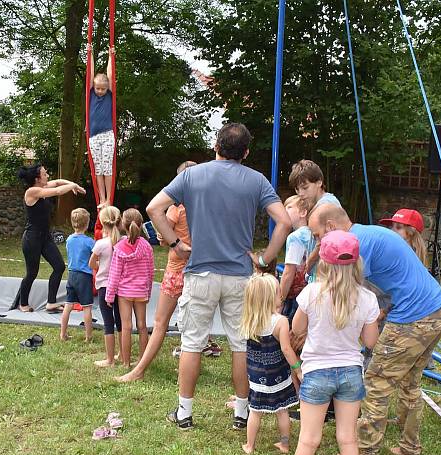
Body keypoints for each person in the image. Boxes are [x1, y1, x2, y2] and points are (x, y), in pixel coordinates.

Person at [146, 122, 292, 430]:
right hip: (240, 275)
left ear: (216, 145)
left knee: (192, 342)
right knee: (241, 344)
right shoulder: (256, 180)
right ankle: (242, 412)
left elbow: (154, 208)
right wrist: (265, 259)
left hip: (200, 272)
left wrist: (175, 243)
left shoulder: (191, 174)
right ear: (247, 152)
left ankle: (184, 413)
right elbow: (284, 221)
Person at [308, 204, 441, 455]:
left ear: (329, 227)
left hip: (414, 316)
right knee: (410, 382)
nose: (318, 242)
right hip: (437, 310)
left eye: (317, 236)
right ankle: (410, 449)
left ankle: (364, 454)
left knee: (376, 381)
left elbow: (348, 293)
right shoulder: (368, 234)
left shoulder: (358, 244)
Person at [279, 230, 380, 455]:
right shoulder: (368, 298)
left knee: (308, 440)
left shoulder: (311, 293)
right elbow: (370, 341)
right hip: (350, 372)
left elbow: (297, 329)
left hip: (317, 373)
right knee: (347, 439)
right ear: (357, 262)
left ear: (323, 261)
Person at [116, 161, 198, 382]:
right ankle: (186, 374)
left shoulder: (175, 208)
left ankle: (138, 370)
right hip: (200, 270)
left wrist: (166, 238)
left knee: (161, 322)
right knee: (194, 326)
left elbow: (164, 236)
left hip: (177, 269)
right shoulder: (205, 207)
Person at [239, 273, 300, 455]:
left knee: (255, 412)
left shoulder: (249, 320)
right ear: (269, 298)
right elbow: (287, 350)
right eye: (277, 292)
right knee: (282, 411)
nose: (281, 295)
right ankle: (285, 444)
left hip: (257, 375)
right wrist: (297, 368)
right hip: (278, 374)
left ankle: (249, 445)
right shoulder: (280, 321)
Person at [12, 164, 86, 313]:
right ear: (37, 179)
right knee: (32, 273)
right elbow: (58, 190)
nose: (47, 176)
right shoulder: (32, 192)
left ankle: (51, 303)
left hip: (45, 237)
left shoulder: (43, 188)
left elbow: (58, 183)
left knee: (59, 266)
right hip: (32, 238)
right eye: (45, 174)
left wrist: (74, 185)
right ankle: (23, 303)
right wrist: (72, 185)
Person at [105, 208, 154, 368]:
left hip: (124, 293)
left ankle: (126, 363)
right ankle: (141, 361)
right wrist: (148, 291)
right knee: (142, 326)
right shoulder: (147, 246)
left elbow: (114, 274)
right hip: (140, 291)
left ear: (123, 225)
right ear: (140, 225)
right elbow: (149, 272)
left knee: (126, 327)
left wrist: (109, 295)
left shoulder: (119, 247)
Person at [288, 160, 342, 279]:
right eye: (297, 189)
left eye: (305, 188)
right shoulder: (319, 203)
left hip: (329, 277)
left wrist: (308, 265)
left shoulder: (326, 205)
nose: (300, 193)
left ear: (319, 182)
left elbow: (323, 244)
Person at [90, 206, 124, 367]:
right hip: (122, 287)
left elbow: (91, 263)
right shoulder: (124, 242)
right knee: (121, 321)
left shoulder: (101, 244)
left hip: (105, 286)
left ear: (103, 223)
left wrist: (101, 266)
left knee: (108, 322)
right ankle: (123, 354)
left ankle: (110, 359)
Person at [87, 43, 116, 209]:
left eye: (103, 89)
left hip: (107, 134)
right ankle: (102, 198)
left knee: (107, 167)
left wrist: (111, 56)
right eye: (98, 88)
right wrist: (90, 54)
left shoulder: (109, 94)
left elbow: (110, 76)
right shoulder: (91, 92)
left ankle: (108, 200)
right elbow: (90, 73)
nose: (100, 91)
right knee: (98, 169)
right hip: (93, 136)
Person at [60, 208, 95, 342]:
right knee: (87, 306)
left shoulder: (69, 239)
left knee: (68, 305)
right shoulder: (89, 242)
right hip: (84, 276)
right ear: (86, 224)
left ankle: (63, 334)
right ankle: (88, 336)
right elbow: (95, 255)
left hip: (71, 274)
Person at [279, 195, 310, 324]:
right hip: (311, 292)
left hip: (295, 295)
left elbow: (288, 272)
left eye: (289, 207)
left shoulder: (296, 237)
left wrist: (280, 299)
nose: (285, 211)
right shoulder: (313, 233)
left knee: (289, 329)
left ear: (303, 213)